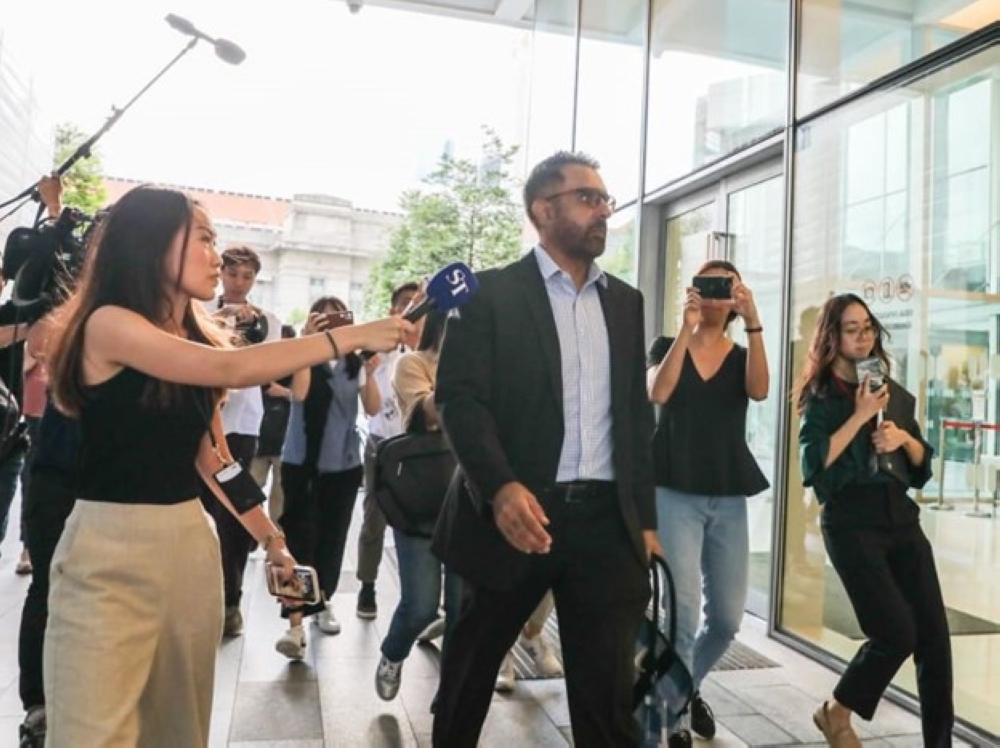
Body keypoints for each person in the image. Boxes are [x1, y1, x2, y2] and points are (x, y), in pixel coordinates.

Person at [42, 185, 409, 747]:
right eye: (205, 239)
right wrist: (348, 337)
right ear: (150, 243)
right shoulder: (108, 324)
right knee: (90, 732)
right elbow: (235, 368)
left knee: (180, 730)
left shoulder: (193, 335)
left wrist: (274, 541)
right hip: (106, 553)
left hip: (190, 543)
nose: (218, 255)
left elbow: (215, 459)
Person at [430, 151, 660, 747]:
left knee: (608, 697)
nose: (604, 210)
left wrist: (645, 520)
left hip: (608, 524)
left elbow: (633, 416)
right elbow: (460, 399)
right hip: (514, 517)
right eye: (589, 198)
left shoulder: (625, 302)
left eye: (606, 199)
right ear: (543, 209)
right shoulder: (490, 295)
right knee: (468, 678)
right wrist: (500, 486)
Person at [794, 293, 952, 748]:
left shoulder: (890, 391)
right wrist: (860, 416)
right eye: (851, 328)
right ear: (832, 337)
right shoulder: (821, 397)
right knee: (895, 631)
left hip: (899, 518)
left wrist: (902, 438)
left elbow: (922, 466)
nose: (863, 337)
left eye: (867, 327)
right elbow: (813, 466)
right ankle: (836, 710)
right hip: (850, 523)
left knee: (934, 643)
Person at [646, 259, 769, 746]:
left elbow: (760, 390)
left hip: (727, 493)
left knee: (727, 619)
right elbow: (658, 391)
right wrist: (685, 328)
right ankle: (673, 715)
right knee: (682, 611)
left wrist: (755, 318)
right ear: (693, 291)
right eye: (708, 286)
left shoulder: (742, 355)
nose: (716, 295)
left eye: (726, 288)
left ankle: (681, 687)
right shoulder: (667, 345)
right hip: (673, 488)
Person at [274, 296, 381, 660]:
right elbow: (299, 393)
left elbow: (373, 408)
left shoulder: (355, 362)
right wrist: (307, 344)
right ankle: (295, 623)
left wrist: (370, 367)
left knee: (333, 539)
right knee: (299, 538)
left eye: (339, 318)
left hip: (343, 461)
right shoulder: (301, 356)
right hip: (302, 460)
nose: (332, 324)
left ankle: (323, 602)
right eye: (324, 318)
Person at [374, 309, 465, 701]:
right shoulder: (413, 363)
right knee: (421, 606)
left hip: (471, 498)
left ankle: (453, 696)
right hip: (421, 495)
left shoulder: (491, 365)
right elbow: (429, 416)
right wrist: (464, 366)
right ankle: (393, 654)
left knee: (463, 610)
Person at [200, 244, 283, 637]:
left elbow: (266, 371)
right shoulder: (200, 312)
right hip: (203, 420)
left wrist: (249, 333)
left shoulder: (266, 319)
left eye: (247, 276)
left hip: (244, 424)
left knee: (235, 512)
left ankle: (231, 599)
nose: (239, 283)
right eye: (233, 274)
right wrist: (219, 322)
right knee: (199, 510)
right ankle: (199, 596)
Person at [356, 281, 420, 620]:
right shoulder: (375, 350)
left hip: (419, 448)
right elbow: (368, 408)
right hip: (382, 443)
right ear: (394, 310)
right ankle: (367, 585)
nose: (413, 310)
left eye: (419, 304)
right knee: (374, 518)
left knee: (419, 520)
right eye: (406, 303)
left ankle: (418, 596)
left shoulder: (433, 350)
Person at [250, 323, 298, 524]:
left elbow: (305, 396)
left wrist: (285, 393)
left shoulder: (298, 369)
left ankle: (277, 542)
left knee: (280, 500)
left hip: (284, 443)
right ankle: (252, 536)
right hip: (258, 440)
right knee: (251, 491)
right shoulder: (260, 368)